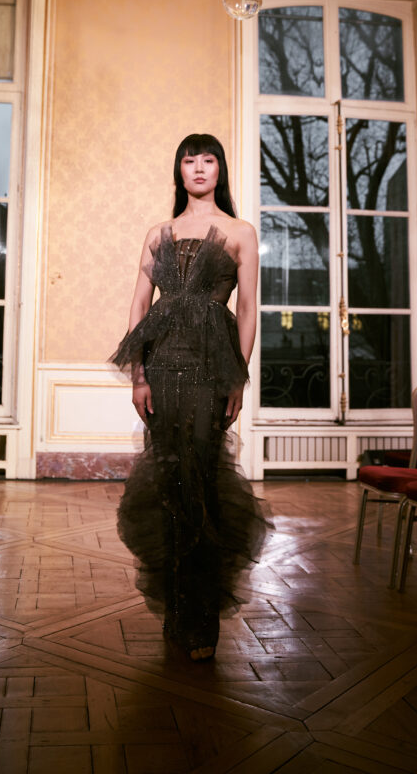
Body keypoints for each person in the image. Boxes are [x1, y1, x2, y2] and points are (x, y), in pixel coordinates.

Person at [111, 133, 268, 661]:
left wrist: (237, 377)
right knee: (170, 484)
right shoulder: (159, 233)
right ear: (179, 171)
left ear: (220, 169)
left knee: (201, 480)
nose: (198, 168)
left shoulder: (240, 232)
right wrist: (139, 376)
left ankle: (202, 619)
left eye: (208, 160)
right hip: (161, 366)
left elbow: (247, 310)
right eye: (189, 160)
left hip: (210, 368)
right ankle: (177, 608)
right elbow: (139, 307)